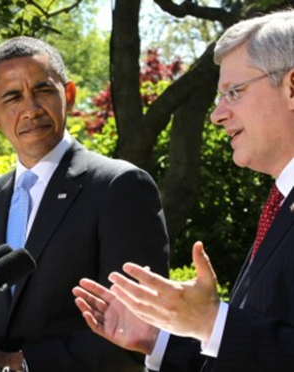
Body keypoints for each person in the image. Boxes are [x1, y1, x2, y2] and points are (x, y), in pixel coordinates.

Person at [73, 8, 294, 372]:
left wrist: (211, 322)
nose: (216, 114)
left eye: (234, 92)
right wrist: (160, 339)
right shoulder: (279, 206)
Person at [0, 36, 170, 372]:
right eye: (13, 97)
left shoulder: (119, 187)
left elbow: (137, 327)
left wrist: (18, 365)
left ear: (69, 95)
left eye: (43, 90)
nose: (31, 109)